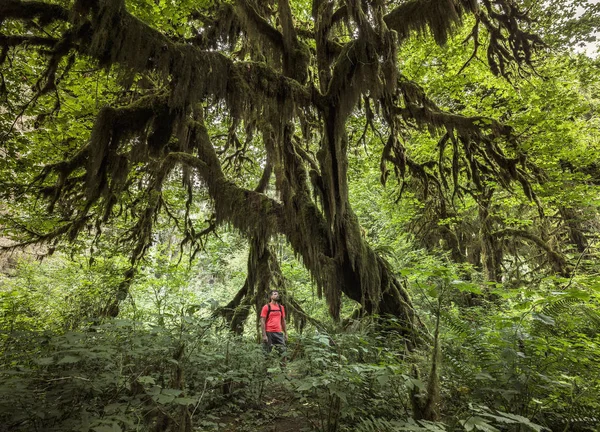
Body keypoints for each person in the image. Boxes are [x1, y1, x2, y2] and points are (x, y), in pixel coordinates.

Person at [260, 290, 287, 356]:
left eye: (277, 294)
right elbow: (262, 321)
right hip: (269, 332)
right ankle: (266, 366)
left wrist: (286, 333)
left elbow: (283, 321)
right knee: (266, 353)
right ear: (271, 296)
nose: (277, 295)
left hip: (279, 332)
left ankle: (284, 366)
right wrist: (264, 335)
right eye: (275, 294)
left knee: (283, 353)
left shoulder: (281, 308)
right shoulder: (266, 307)